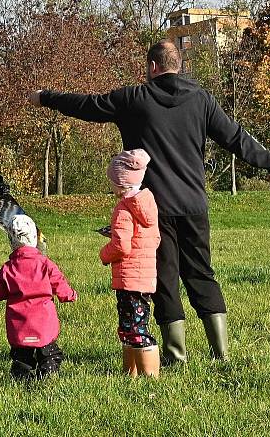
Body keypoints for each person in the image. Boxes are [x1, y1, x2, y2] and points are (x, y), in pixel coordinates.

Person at [29, 40, 270, 364]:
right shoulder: (202, 100)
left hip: (154, 210)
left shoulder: (133, 99)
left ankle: (175, 354)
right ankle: (220, 352)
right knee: (201, 274)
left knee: (165, 279)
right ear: (178, 65)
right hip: (194, 205)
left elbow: (87, 105)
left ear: (152, 67)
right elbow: (235, 137)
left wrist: (46, 98)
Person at [0, 214, 77, 380]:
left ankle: (21, 375)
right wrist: (70, 295)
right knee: (49, 353)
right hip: (44, 324)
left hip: (19, 326)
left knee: (21, 357)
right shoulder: (46, 264)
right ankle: (48, 374)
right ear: (34, 238)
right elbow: (60, 284)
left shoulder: (8, 268)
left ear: (11, 241)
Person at [100, 149, 161, 377]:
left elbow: (121, 246)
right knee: (131, 325)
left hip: (129, 278)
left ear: (121, 183)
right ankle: (130, 373)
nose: (111, 186)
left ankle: (149, 377)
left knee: (135, 328)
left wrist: (105, 254)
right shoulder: (147, 204)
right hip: (144, 277)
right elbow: (154, 239)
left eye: (112, 182)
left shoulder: (123, 209)